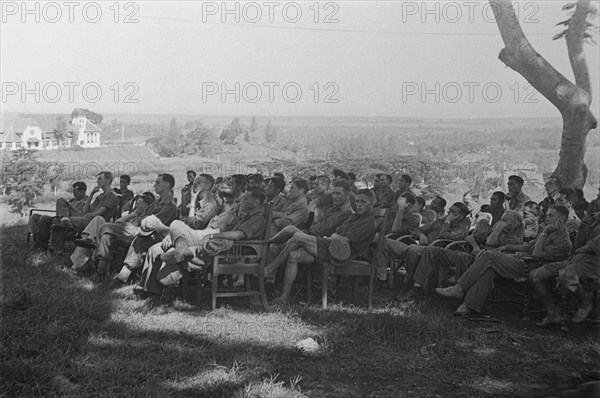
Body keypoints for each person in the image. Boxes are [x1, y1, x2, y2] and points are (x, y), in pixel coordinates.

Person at [435, 205, 572, 316]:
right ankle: (468, 305)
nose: (546, 218)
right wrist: (509, 247)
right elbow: (530, 247)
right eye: (547, 214)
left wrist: (544, 233)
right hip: (521, 261)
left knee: (489, 256)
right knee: (488, 269)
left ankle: (459, 288)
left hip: (531, 268)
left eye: (551, 215)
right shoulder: (546, 230)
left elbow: (536, 254)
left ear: (562, 218)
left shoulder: (563, 241)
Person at [135, 185, 267, 296]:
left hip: (229, 251)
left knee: (174, 232)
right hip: (220, 246)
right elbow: (219, 228)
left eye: (245, 198)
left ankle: (167, 277)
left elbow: (238, 235)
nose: (241, 200)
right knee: (162, 243)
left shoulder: (258, 219)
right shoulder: (241, 215)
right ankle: (154, 292)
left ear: (255, 202)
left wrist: (211, 237)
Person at [264, 189, 377, 305]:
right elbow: (337, 233)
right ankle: (284, 297)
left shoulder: (369, 223)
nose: (359, 205)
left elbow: (343, 239)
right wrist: (334, 237)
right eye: (357, 201)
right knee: (293, 256)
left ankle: (271, 268)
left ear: (372, 203)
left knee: (297, 236)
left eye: (363, 202)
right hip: (330, 246)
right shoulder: (355, 217)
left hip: (341, 254)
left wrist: (332, 237)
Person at [410, 210, 525, 293]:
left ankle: (459, 291)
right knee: (431, 250)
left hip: (480, 264)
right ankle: (417, 286)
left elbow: (490, 245)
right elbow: (469, 238)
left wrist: (498, 229)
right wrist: (475, 247)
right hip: (471, 257)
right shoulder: (494, 232)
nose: (500, 222)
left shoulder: (513, 240)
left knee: (461, 257)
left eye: (504, 220)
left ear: (513, 224)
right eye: (501, 219)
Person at [108, 174, 178, 283]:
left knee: (110, 228)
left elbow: (152, 223)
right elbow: (142, 217)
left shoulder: (170, 206)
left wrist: (141, 221)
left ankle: (122, 275)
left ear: (167, 185)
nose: (154, 185)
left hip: (156, 237)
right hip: (140, 230)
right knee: (107, 231)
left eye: (158, 182)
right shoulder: (157, 202)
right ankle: (101, 268)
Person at [49, 172, 119, 253]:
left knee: (58, 221)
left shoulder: (111, 195)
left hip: (95, 222)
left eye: (99, 179)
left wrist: (89, 215)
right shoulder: (100, 196)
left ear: (108, 180)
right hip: (87, 219)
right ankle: (58, 248)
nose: (97, 181)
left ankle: (57, 250)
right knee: (59, 213)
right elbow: (85, 211)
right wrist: (92, 194)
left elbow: (100, 212)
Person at [31, 181, 87, 248]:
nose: (74, 194)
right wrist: (70, 204)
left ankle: (41, 243)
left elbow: (80, 216)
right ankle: (40, 241)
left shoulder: (86, 202)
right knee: (35, 217)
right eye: (73, 192)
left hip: (71, 223)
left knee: (46, 217)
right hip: (61, 219)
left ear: (83, 191)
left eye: (75, 192)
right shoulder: (73, 201)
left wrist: (69, 206)